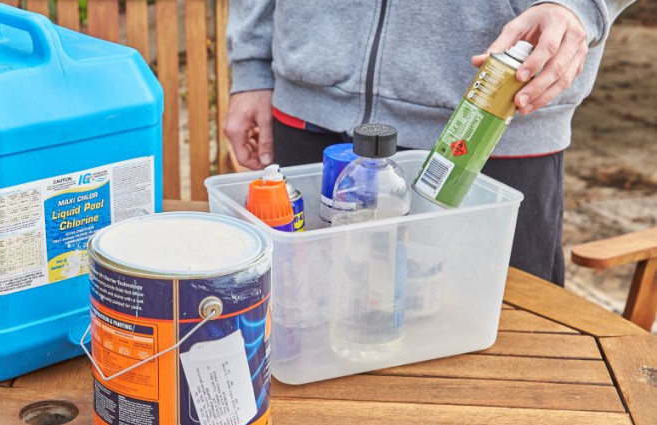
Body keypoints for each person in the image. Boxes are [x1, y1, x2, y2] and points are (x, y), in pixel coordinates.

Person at [224, 0, 635, 287]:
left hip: (490, 126)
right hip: (309, 116)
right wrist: (252, 66)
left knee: (501, 363)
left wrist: (578, 4)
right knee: (301, 327)